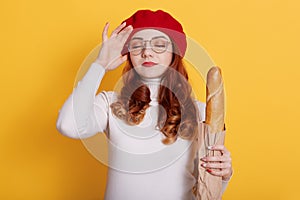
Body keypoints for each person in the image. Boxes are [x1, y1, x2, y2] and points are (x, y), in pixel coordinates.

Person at [56, 9, 232, 200]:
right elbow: (68, 125)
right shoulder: (111, 104)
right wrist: (100, 64)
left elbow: (208, 193)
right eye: (137, 45)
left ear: (174, 54)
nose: (147, 52)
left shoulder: (199, 112)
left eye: (159, 45)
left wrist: (223, 175)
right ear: (129, 54)